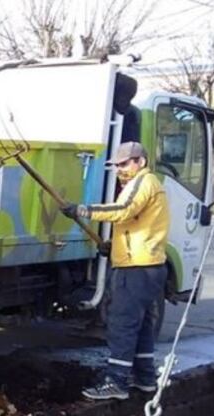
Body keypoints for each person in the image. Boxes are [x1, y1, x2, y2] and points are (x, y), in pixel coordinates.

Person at [61, 141, 169, 401]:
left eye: (124, 164)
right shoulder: (143, 184)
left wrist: (83, 210)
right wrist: (114, 247)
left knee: (122, 323)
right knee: (141, 325)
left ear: (140, 162)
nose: (119, 169)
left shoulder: (144, 182)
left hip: (137, 268)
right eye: (116, 165)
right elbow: (137, 225)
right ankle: (144, 378)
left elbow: (123, 211)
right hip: (144, 264)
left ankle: (117, 382)